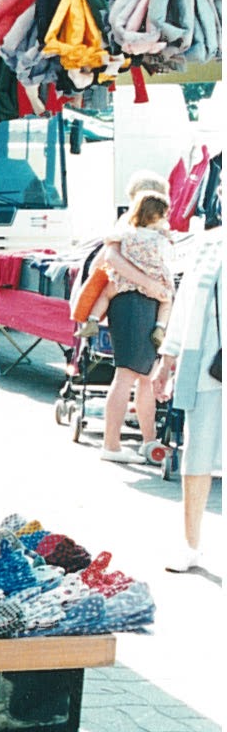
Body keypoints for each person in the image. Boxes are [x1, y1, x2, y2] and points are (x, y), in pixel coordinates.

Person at [95, 185, 180, 464]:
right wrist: (153, 286)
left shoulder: (128, 230)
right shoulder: (134, 234)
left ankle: (148, 440)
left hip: (137, 304)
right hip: (136, 303)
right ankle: (111, 444)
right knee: (127, 376)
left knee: (144, 377)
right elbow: (111, 257)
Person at [154, 227, 222, 573]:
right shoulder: (207, 244)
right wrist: (167, 360)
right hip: (205, 364)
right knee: (197, 455)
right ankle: (190, 545)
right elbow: (183, 308)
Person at [73, 190, 175, 346]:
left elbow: (109, 243)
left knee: (106, 295)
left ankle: (93, 321)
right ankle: (160, 328)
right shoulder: (160, 239)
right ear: (159, 216)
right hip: (154, 279)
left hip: (124, 280)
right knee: (166, 301)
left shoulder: (126, 233)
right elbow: (168, 256)